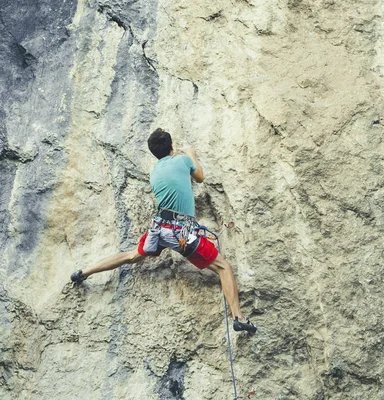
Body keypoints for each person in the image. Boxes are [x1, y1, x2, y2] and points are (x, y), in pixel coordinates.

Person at [70, 128, 256, 333]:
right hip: (181, 232)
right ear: (172, 146)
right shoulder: (182, 161)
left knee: (131, 255)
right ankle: (238, 317)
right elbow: (200, 177)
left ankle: (84, 272)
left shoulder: (154, 172)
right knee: (223, 267)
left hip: (159, 228)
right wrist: (191, 154)